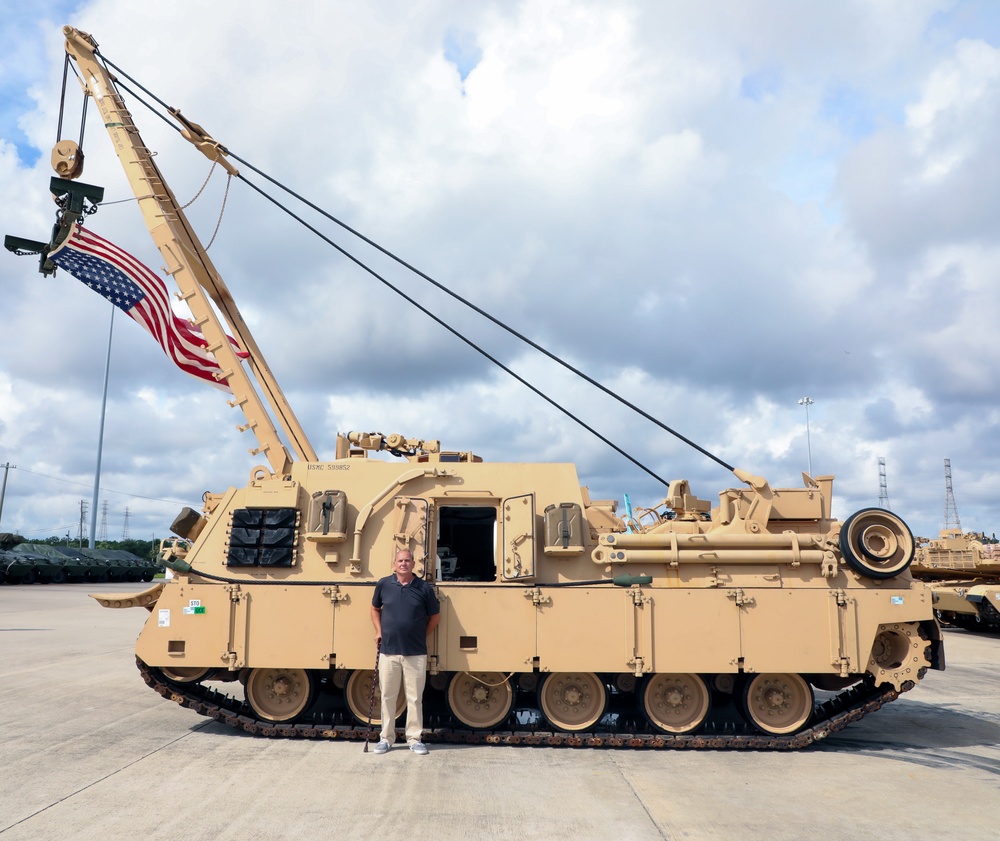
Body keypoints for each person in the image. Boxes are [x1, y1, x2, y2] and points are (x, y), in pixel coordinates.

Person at [370, 548, 440, 755]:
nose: (403, 564)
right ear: (394, 564)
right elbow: (374, 608)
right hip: (388, 651)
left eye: (407, 560)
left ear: (413, 564)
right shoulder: (384, 584)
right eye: (400, 560)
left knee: (414, 698)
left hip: (415, 652)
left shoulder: (423, 588)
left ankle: (414, 738)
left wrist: (420, 634)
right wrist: (378, 631)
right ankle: (386, 738)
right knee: (388, 696)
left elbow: (435, 617)